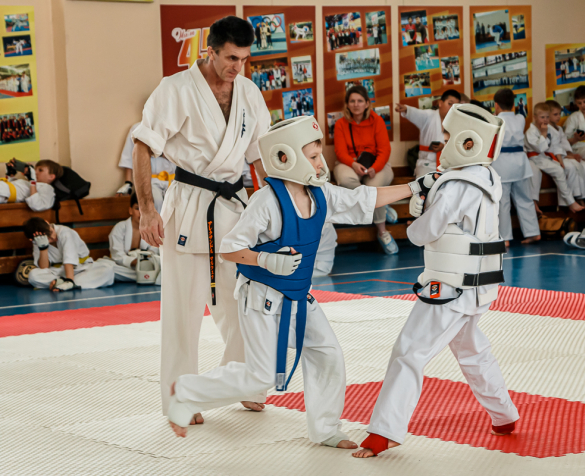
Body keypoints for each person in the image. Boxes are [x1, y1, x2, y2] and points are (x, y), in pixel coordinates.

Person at [166, 116, 435, 444]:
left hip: (297, 295)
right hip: (261, 297)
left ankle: (326, 429)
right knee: (260, 375)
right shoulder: (266, 201)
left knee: (327, 354)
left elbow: (363, 199)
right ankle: (187, 390)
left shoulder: (321, 194)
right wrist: (265, 259)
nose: (321, 163)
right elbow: (229, 248)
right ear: (285, 157)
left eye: (319, 154)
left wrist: (414, 187)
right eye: (313, 156)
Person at [353, 104, 520, 459]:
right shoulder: (488, 177)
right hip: (479, 287)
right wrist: (428, 200)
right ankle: (504, 415)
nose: (443, 143)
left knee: (409, 352)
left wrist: (420, 214)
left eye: (448, 136)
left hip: (449, 287)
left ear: (467, 141)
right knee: (472, 349)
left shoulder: (454, 185)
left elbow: (421, 234)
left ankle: (383, 432)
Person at [131, 16, 271, 419]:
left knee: (244, 301)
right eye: (230, 58)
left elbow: (260, 157)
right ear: (210, 51)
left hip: (235, 206)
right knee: (183, 309)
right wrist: (147, 210)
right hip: (189, 203)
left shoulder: (249, 92)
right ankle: (181, 396)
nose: (237, 67)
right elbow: (143, 147)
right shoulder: (175, 89)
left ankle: (244, 380)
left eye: (244, 59)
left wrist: (271, 210)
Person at [333, 85, 398, 254]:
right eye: (352, 101)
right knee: (346, 180)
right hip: (350, 163)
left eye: (360, 101)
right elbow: (340, 152)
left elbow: (384, 150)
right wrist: (353, 164)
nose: (356, 104)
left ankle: (382, 232)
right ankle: (381, 206)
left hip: (376, 165)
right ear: (347, 104)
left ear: (367, 103)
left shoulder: (377, 121)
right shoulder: (340, 124)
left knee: (373, 189)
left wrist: (375, 168)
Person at [490, 89, 540, 246]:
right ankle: (533, 233)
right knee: (525, 199)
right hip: (520, 164)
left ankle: (505, 238)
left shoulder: (495, 120)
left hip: (502, 164)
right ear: (513, 105)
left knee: (503, 202)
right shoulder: (520, 119)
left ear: (496, 105)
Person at [23, 217, 115, 292]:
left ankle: (63, 283)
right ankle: (65, 283)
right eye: (48, 239)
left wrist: (69, 281)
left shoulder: (65, 233)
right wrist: (43, 248)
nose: (53, 238)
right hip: (58, 271)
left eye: (51, 232)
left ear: (47, 222)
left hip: (81, 268)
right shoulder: (38, 241)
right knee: (33, 276)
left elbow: (69, 261)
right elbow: (44, 268)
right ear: (33, 240)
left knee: (107, 270)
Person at [525, 103, 585, 214]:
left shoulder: (550, 129)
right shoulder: (531, 132)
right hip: (535, 158)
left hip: (546, 158)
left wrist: (560, 161)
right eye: (542, 117)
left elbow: (556, 146)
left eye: (547, 117)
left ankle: (565, 204)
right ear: (535, 117)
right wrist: (543, 134)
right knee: (558, 171)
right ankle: (571, 202)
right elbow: (540, 148)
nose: (545, 120)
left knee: (562, 168)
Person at [395, 89, 461, 176]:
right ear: (440, 103)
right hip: (427, 163)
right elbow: (417, 113)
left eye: (456, 106)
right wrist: (407, 109)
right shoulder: (428, 116)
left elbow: (460, 145)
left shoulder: (458, 123)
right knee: (424, 182)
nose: (452, 108)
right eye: (450, 104)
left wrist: (444, 147)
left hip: (448, 164)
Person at [116, 122, 176, 212]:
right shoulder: (138, 128)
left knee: (175, 205)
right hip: (152, 180)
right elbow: (129, 157)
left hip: (174, 179)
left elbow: (181, 154)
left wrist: (162, 153)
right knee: (156, 202)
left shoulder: (174, 127)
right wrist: (128, 183)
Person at [546, 100, 585, 205]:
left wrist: (571, 154)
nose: (558, 117)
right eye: (555, 114)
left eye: (559, 114)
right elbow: (552, 148)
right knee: (571, 167)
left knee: (584, 165)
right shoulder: (546, 129)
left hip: (564, 155)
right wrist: (567, 156)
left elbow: (565, 144)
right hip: (554, 158)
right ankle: (573, 198)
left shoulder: (559, 129)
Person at [109, 193, 161, 283]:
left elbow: (154, 251)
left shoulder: (153, 229)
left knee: (162, 264)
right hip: (125, 268)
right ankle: (147, 276)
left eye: (145, 209)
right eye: (137, 208)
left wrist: (144, 261)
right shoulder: (120, 228)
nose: (141, 213)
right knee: (108, 269)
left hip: (147, 266)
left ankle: (145, 275)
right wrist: (135, 261)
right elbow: (117, 255)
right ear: (130, 210)